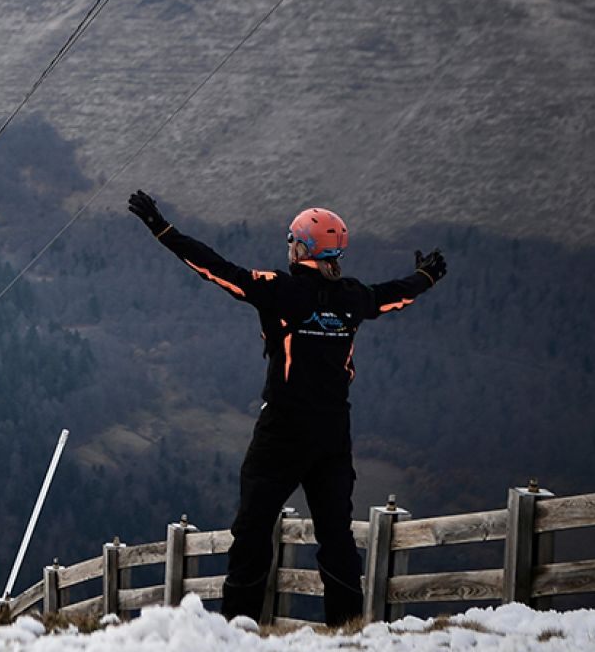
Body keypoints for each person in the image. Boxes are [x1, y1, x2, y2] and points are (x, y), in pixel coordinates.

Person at [127, 190, 447, 626]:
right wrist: (426, 276)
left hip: (283, 430)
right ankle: (350, 629)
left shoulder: (281, 290)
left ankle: (238, 626)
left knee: (253, 530)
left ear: (302, 248)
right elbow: (395, 294)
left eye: (292, 241)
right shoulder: (353, 296)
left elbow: (216, 269)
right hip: (334, 433)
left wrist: (163, 230)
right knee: (335, 534)